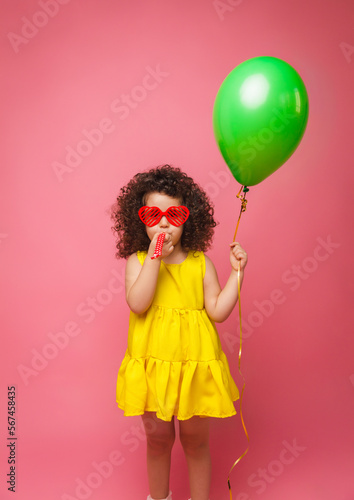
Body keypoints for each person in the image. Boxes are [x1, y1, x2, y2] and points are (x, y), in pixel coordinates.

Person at [110, 165, 248, 500]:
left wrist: (237, 274)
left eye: (174, 213)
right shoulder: (139, 261)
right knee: (158, 442)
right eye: (152, 213)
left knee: (196, 442)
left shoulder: (201, 263)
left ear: (189, 218)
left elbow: (217, 310)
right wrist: (156, 257)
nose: (163, 223)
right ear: (138, 219)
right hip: (154, 367)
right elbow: (139, 303)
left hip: (194, 368)